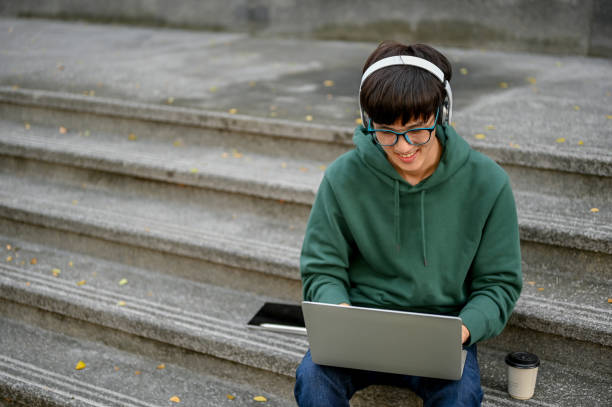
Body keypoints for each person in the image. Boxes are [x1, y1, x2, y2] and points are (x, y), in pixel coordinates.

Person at [294, 41, 523, 407]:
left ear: (443, 113)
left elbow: (498, 284)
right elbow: (322, 270)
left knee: (461, 397)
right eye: (386, 131)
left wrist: (463, 329)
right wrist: (339, 316)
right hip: (360, 330)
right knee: (314, 382)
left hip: (443, 334)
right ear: (366, 119)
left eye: (417, 129)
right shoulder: (342, 178)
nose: (403, 147)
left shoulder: (488, 183)